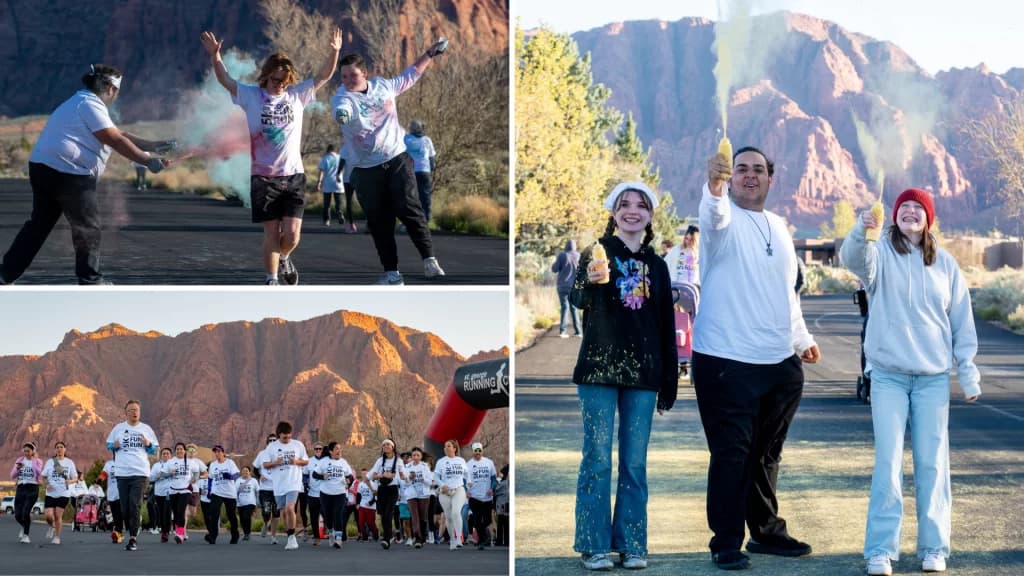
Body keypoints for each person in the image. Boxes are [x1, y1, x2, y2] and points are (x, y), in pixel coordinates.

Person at [840, 188, 981, 576]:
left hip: (933, 379)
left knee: (933, 464)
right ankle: (880, 551)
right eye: (905, 207)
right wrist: (860, 230)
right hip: (889, 376)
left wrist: (968, 372)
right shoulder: (880, 254)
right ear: (895, 215)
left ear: (928, 218)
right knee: (888, 464)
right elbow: (852, 259)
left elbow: (961, 321)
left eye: (919, 208)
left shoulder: (946, 264)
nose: (911, 212)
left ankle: (934, 547)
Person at [695, 147, 820, 571]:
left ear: (771, 178)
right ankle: (726, 541)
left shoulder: (780, 226)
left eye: (758, 170)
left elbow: (787, 291)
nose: (750, 175)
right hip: (725, 359)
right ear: (730, 178)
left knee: (766, 454)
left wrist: (801, 338)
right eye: (741, 169)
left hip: (780, 362)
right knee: (732, 454)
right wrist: (713, 186)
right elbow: (713, 214)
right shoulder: (721, 219)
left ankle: (766, 532)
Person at [569, 181, 678, 571]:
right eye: (625, 204)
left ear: (650, 215)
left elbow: (666, 326)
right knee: (597, 458)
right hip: (598, 370)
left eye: (641, 205)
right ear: (613, 212)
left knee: (635, 463)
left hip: (644, 376)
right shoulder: (596, 253)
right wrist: (589, 279)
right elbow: (577, 299)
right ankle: (594, 545)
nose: (633, 211)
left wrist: (668, 384)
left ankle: (633, 544)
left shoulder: (658, 267)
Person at [0, 64, 171, 285]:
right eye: (116, 91)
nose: (116, 95)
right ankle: (91, 280)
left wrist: (154, 146)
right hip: (68, 172)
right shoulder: (90, 104)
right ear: (110, 88)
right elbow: (115, 139)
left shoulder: (80, 101)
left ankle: (5, 274)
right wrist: (147, 161)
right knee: (87, 226)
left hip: (44, 168)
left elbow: (120, 134)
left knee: (39, 225)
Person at [200, 28, 341, 285]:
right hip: (264, 177)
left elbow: (324, 75)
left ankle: (285, 257)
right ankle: (271, 279)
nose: (280, 86)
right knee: (272, 234)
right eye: (276, 80)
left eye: (285, 82)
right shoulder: (251, 96)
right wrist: (215, 56)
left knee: (293, 236)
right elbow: (225, 80)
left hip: (294, 175)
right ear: (266, 76)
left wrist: (335, 52)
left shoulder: (296, 96)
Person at [330, 40, 449, 285]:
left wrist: (429, 54)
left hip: (396, 159)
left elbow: (410, 75)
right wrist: (342, 115)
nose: (348, 80)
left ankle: (430, 261)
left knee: (409, 208)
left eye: (353, 75)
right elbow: (341, 110)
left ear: (364, 73)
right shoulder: (342, 97)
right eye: (344, 76)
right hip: (366, 169)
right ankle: (392, 273)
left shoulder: (383, 86)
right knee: (380, 221)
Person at [105, 399, 159, 551]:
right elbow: (109, 445)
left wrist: (148, 444)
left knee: (134, 504)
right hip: (122, 473)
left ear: (139, 412)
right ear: (126, 413)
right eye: (131, 410)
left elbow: (155, 449)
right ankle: (136, 520)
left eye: (137, 410)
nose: (134, 412)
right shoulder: (118, 428)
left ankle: (133, 538)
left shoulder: (146, 429)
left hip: (140, 472)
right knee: (125, 508)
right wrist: (113, 446)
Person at [261, 421, 309, 550]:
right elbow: (265, 464)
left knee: (290, 508)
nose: (287, 439)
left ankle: (292, 537)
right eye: (284, 437)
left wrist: (296, 461)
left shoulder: (298, 445)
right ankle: (289, 535)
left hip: (293, 483)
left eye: (288, 436)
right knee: (283, 512)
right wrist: (275, 463)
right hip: (279, 485)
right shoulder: (271, 447)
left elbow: (306, 461)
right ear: (279, 435)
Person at [316, 441, 354, 549]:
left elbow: (351, 476)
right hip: (326, 493)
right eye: (337, 448)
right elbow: (314, 474)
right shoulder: (323, 462)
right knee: (328, 516)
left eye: (340, 448)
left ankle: (338, 538)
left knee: (338, 514)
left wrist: (348, 481)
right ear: (331, 451)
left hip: (340, 493)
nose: (339, 451)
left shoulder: (343, 462)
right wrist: (322, 476)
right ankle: (331, 531)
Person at [370, 438, 407, 549]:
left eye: (388, 444)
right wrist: (383, 475)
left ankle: (387, 539)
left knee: (388, 513)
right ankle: (388, 535)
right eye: (384, 445)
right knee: (383, 516)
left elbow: (403, 475)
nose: (386, 446)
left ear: (393, 447)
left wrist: (405, 477)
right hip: (382, 489)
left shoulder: (399, 461)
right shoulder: (379, 460)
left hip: (393, 489)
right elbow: (373, 476)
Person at [165, 442, 205, 544]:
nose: (179, 451)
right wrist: (170, 473)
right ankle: (179, 531)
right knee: (176, 512)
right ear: (175, 451)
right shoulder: (170, 462)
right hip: (173, 490)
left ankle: (180, 534)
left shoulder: (191, 462)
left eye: (181, 449)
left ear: (184, 451)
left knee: (181, 511)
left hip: (186, 490)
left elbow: (196, 472)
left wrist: (195, 478)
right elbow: (163, 474)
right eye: (177, 449)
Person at [41, 441, 78, 545]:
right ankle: (52, 526)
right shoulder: (50, 462)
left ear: (65, 449)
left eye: (61, 447)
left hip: (64, 492)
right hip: (51, 492)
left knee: (57, 515)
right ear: (55, 449)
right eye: (57, 447)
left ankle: (57, 537)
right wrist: (47, 484)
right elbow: (43, 476)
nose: (59, 449)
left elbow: (76, 478)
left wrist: (70, 481)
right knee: (48, 516)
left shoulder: (69, 462)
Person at [434, 439, 468, 551]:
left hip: (458, 490)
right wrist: (442, 485)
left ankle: (459, 538)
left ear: (454, 448)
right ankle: (452, 539)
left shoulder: (461, 460)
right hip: (445, 492)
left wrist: (469, 482)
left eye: (448, 446)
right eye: (445, 446)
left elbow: (467, 474)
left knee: (456, 512)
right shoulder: (441, 462)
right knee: (448, 517)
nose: (446, 448)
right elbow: (436, 477)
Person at [205, 444, 241, 544]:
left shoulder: (230, 463)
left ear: (223, 453)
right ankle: (212, 536)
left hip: (229, 493)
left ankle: (235, 535)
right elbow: (210, 478)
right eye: (215, 452)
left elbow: (237, 474)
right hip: (217, 492)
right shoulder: (213, 465)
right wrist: (209, 491)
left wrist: (230, 476)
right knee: (214, 514)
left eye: (219, 451)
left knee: (231, 515)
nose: (217, 454)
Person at [403, 119, 437, 223]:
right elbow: (432, 158)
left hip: (411, 171)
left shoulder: (406, 139)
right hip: (425, 171)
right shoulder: (427, 140)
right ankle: (425, 219)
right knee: (425, 196)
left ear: (412, 128)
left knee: (411, 197)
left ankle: (412, 221)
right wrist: (431, 170)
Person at [663, 224, 701, 315]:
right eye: (686, 238)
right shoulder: (677, 249)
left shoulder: (699, 253)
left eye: (691, 240)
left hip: (693, 291)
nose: (687, 242)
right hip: (676, 288)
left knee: (692, 316)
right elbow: (665, 264)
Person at [466, 442, 496, 550]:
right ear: (473, 452)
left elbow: (493, 478)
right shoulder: (468, 464)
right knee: (477, 520)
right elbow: (464, 480)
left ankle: (483, 539)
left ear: (482, 451)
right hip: (474, 496)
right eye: (476, 451)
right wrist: (466, 490)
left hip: (487, 497)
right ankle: (482, 541)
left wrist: (492, 488)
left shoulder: (489, 463)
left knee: (487, 520)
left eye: (479, 450)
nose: (478, 453)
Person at [11, 442, 43, 543]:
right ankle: (25, 526)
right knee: (17, 515)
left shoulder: (38, 461)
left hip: (32, 488)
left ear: (33, 451)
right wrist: (18, 468)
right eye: (24, 451)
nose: (26, 453)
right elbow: (12, 475)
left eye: (28, 451)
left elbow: (39, 472)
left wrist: (33, 461)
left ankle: (26, 535)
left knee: (25, 512)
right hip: (21, 488)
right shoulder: (20, 460)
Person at [404, 447, 434, 548]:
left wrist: (423, 479)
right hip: (411, 494)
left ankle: (423, 536)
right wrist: (409, 478)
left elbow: (430, 482)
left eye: (418, 455)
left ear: (421, 457)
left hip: (424, 494)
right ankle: (417, 537)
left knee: (422, 517)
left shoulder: (425, 466)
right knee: (414, 516)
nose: (416, 457)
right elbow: (404, 483)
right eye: (414, 455)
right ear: (411, 456)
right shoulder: (407, 467)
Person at [551, 239, 581, 338]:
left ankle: (563, 332)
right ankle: (578, 332)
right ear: (575, 246)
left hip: (562, 286)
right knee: (574, 308)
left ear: (566, 246)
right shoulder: (578, 256)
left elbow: (554, 269)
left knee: (564, 307)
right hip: (574, 287)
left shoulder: (562, 255)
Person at [253, 433, 281, 543]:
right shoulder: (262, 454)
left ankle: (273, 536)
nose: (272, 442)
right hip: (265, 489)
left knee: (276, 513)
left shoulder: (280, 453)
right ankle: (266, 523)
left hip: (278, 489)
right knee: (266, 511)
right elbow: (255, 469)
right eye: (270, 440)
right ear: (267, 442)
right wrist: (259, 476)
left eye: (274, 440)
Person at [149, 447, 173, 542]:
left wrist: (165, 474)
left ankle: (166, 531)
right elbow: (151, 478)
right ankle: (164, 531)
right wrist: (157, 476)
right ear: (161, 455)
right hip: (159, 492)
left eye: (167, 453)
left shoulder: (174, 464)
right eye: (164, 453)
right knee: (161, 513)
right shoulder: (156, 466)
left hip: (170, 491)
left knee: (167, 512)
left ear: (170, 455)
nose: (165, 455)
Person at [100, 453, 124, 543]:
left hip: (121, 492)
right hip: (111, 493)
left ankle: (118, 532)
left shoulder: (124, 463)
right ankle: (118, 532)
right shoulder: (109, 464)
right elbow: (104, 473)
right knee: (114, 514)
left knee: (119, 513)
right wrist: (100, 479)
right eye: (115, 453)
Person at [317, 145, 344, 226]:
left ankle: (327, 220)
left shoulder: (325, 158)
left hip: (327, 183)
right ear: (335, 150)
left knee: (327, 204)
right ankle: (339, 213)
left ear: (328, 150)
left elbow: (321, 171)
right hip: (338, 183)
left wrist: (319, 182)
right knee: (338, 202)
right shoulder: (340, 157)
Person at [305, 442, 325, 545]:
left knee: (327, 516)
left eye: (320, 449)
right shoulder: (309, 461)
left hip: (325, 494)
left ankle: (331, 532)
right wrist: (305, 484)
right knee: (313, 517)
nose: (318, 450)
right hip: (312, 494)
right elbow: (305, 475)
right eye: (316, 449)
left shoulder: (327, 461)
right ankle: (317, 537)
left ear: (323, 450)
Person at [339, 142, 359, 233]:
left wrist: (337, 174)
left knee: (349, 201)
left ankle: (351, 225)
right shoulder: (361, 144)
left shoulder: (346, 146)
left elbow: (342, 162)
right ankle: (369, 224)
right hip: (360, 178)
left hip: (348, 178)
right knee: (365, 201)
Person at [236, 466, 259, 541]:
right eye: (243, 470)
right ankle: (246, 532)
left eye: (246, 471)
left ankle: (247, 533)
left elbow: (257, 492)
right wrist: (235, 502)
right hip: (240, 503)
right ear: (241, 472)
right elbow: (235, 492)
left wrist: (258, 502)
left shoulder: (253, 481)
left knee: (246, 517)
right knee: (242, 519)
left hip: (250, 502)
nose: (245, 472)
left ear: (249, 472)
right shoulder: (238, 480)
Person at [356, 470, 379, 541]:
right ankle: (364, 536)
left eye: (365, 474)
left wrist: (371, 502)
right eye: (362, 474)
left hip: (371, 507)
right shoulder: (360, 484)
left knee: (370, 522)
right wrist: (357, 503)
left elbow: (376, 496)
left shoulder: (373, 484)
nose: (364, 475)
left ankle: (375, 533)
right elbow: (358, 495)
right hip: (362, 506)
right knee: (361, 522)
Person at [493, 464, 509, 547]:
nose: (499, 475)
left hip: (502, 505)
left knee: (501, 524)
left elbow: (494, 490)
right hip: (506, 504)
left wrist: (498, 479)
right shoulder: (508, 483)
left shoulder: (503, 483)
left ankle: (499, 541)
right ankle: (507, 541)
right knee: (506, 524)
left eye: (501, 474)